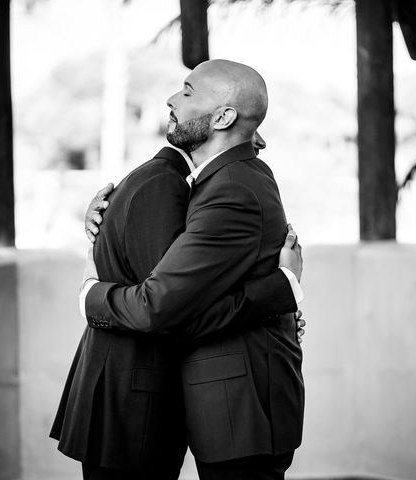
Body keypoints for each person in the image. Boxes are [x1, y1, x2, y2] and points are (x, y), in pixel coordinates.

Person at [81, 59, 305, 480]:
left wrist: (92, 293)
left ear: (222, 117)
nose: (171, 99)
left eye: (186, 92)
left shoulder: (232, 188)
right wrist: (109, 225)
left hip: (242, 409)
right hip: (225, 408)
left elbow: (162, 310)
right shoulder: (213, 181)